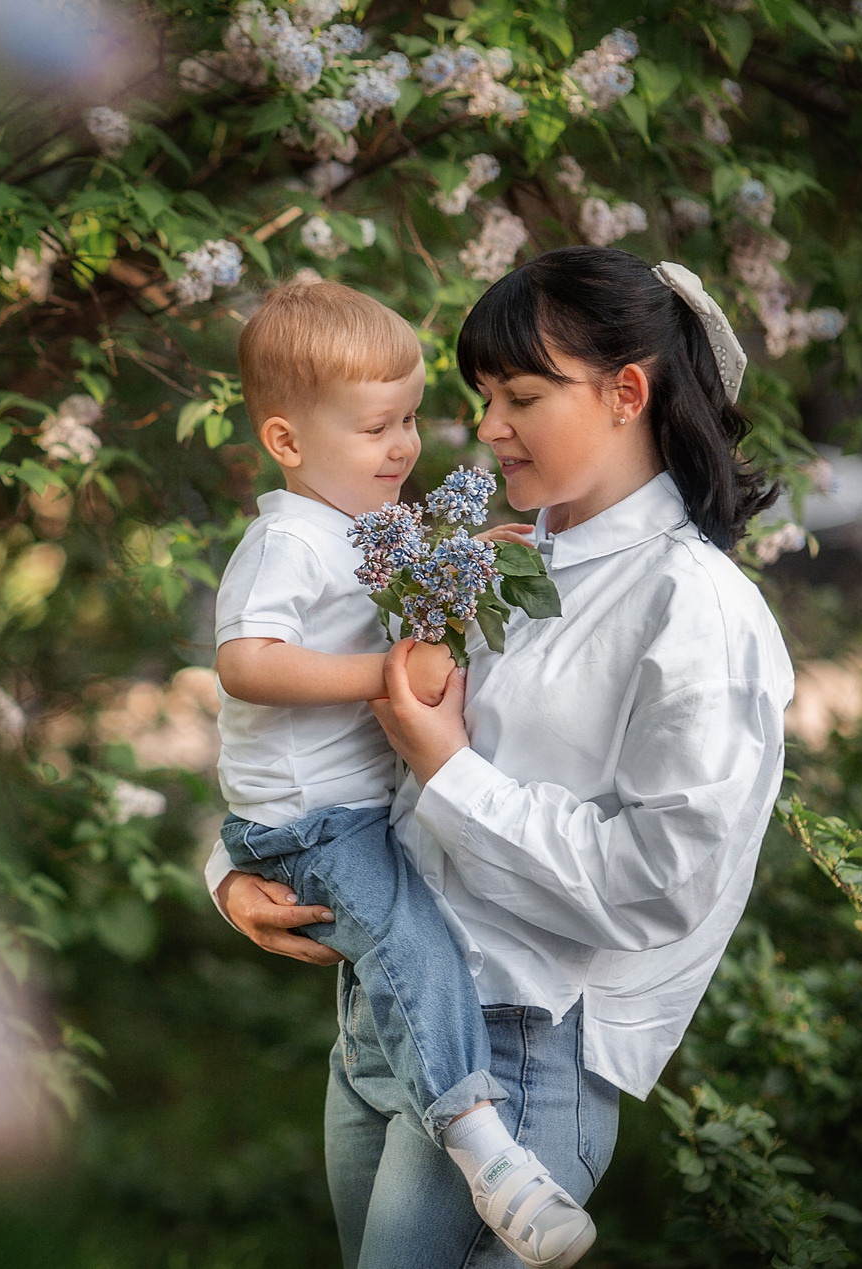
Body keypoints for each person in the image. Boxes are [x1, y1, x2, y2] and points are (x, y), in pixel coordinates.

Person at [215, 247, 795, 1268]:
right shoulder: (496, 559)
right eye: (485, 395)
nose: (485, 428)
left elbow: (664, 886)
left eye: (520, 394)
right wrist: (234, 872)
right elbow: (322, 739)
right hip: (387, 1023)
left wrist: (451, 771)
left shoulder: (693, 609)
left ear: (626, 392)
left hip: (521, 1045)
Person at [208, 277, 598, 1268]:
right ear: (288, 443)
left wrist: (475, 551)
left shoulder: (360, 530)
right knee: (411, 940)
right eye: (377, 427)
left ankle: (475, 1131)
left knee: (403, 942)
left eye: (411, 419)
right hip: (312, 826)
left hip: (337, 821)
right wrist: (376, 676)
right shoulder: (286, 538)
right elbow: (244, 663)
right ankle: (483, 1145)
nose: (405, 446)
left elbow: (422, 593)